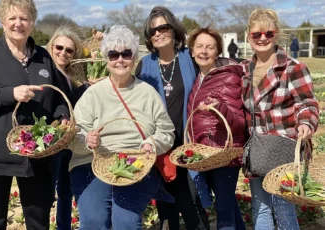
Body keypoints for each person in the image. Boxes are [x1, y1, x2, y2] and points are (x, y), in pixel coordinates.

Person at [0, 0, 69, 229]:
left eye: (24, 18)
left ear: (32, 23)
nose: (18, 24)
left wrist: (62, 117)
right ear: (2, 22)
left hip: (36, 155)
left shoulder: (43, 57)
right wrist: (9, 94)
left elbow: (59, 97)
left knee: (38, 222)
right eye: (12, 18)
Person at [68, 25, 175, 230]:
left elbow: (166, 131)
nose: (120, 60)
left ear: (134, 58)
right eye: (113, 54)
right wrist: (87, 141)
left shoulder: (147, 93)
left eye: (126, 54)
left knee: (125, 224)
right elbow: (76, 134)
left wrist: (152, 143)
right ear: (106, 60)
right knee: (93, 222)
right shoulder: (93, 94)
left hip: (136, 163)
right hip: (92, 162)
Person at [241, 9, 319, 230]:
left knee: (283, 206)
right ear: (249, 37)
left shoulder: (292, 68)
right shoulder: (245, 70)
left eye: (268, 33)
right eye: (256, 34)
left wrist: (305, 122)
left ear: (277, 34)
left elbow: (307, 103)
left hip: (283, 148)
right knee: (261, 206)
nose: (262, 38)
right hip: (257, 149)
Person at [136, 6, 210, 230]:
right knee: (166, 209)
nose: (157, 33)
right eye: (152, 31)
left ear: (174, 29)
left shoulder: (189, 57)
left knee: (192, 205)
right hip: (161, 149)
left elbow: (214, 71)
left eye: (163, 27)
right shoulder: (145, 65)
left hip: (187, 146)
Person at [186, 27, 246, 230]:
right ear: (192, 51)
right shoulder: (198, 79)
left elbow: (239, 122)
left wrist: (219, 108)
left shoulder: (227, 77)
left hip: (224, 156)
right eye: (199, 46)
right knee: (229, 207)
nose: (204, 51)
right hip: (205, 155)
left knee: (224, 214)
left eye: (209, 47)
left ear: (217, 52)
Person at [45, 25, 88, 230]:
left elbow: (73, 101)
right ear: (51, 46)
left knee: (65, 190)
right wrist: (61, 115)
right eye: (59, 47)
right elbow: (54, 100)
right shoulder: (45, 72)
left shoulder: (71, 73)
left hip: (68, 141)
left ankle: (63, 226)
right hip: (52, 141)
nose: (63, 53)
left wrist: (88, 86)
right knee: (47, 191)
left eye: (69, 50)